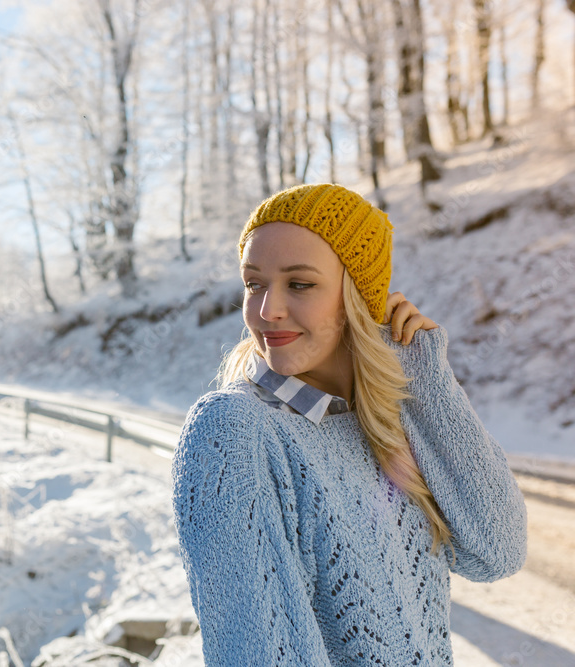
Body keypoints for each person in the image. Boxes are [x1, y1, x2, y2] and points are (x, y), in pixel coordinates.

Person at [171, 183, 528, 665]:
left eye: (299, 284)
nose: (266, 309)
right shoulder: (235, 430)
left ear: (358, 296)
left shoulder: (384, 425)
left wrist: (424, 377)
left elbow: (498, 552)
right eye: (254, 282)